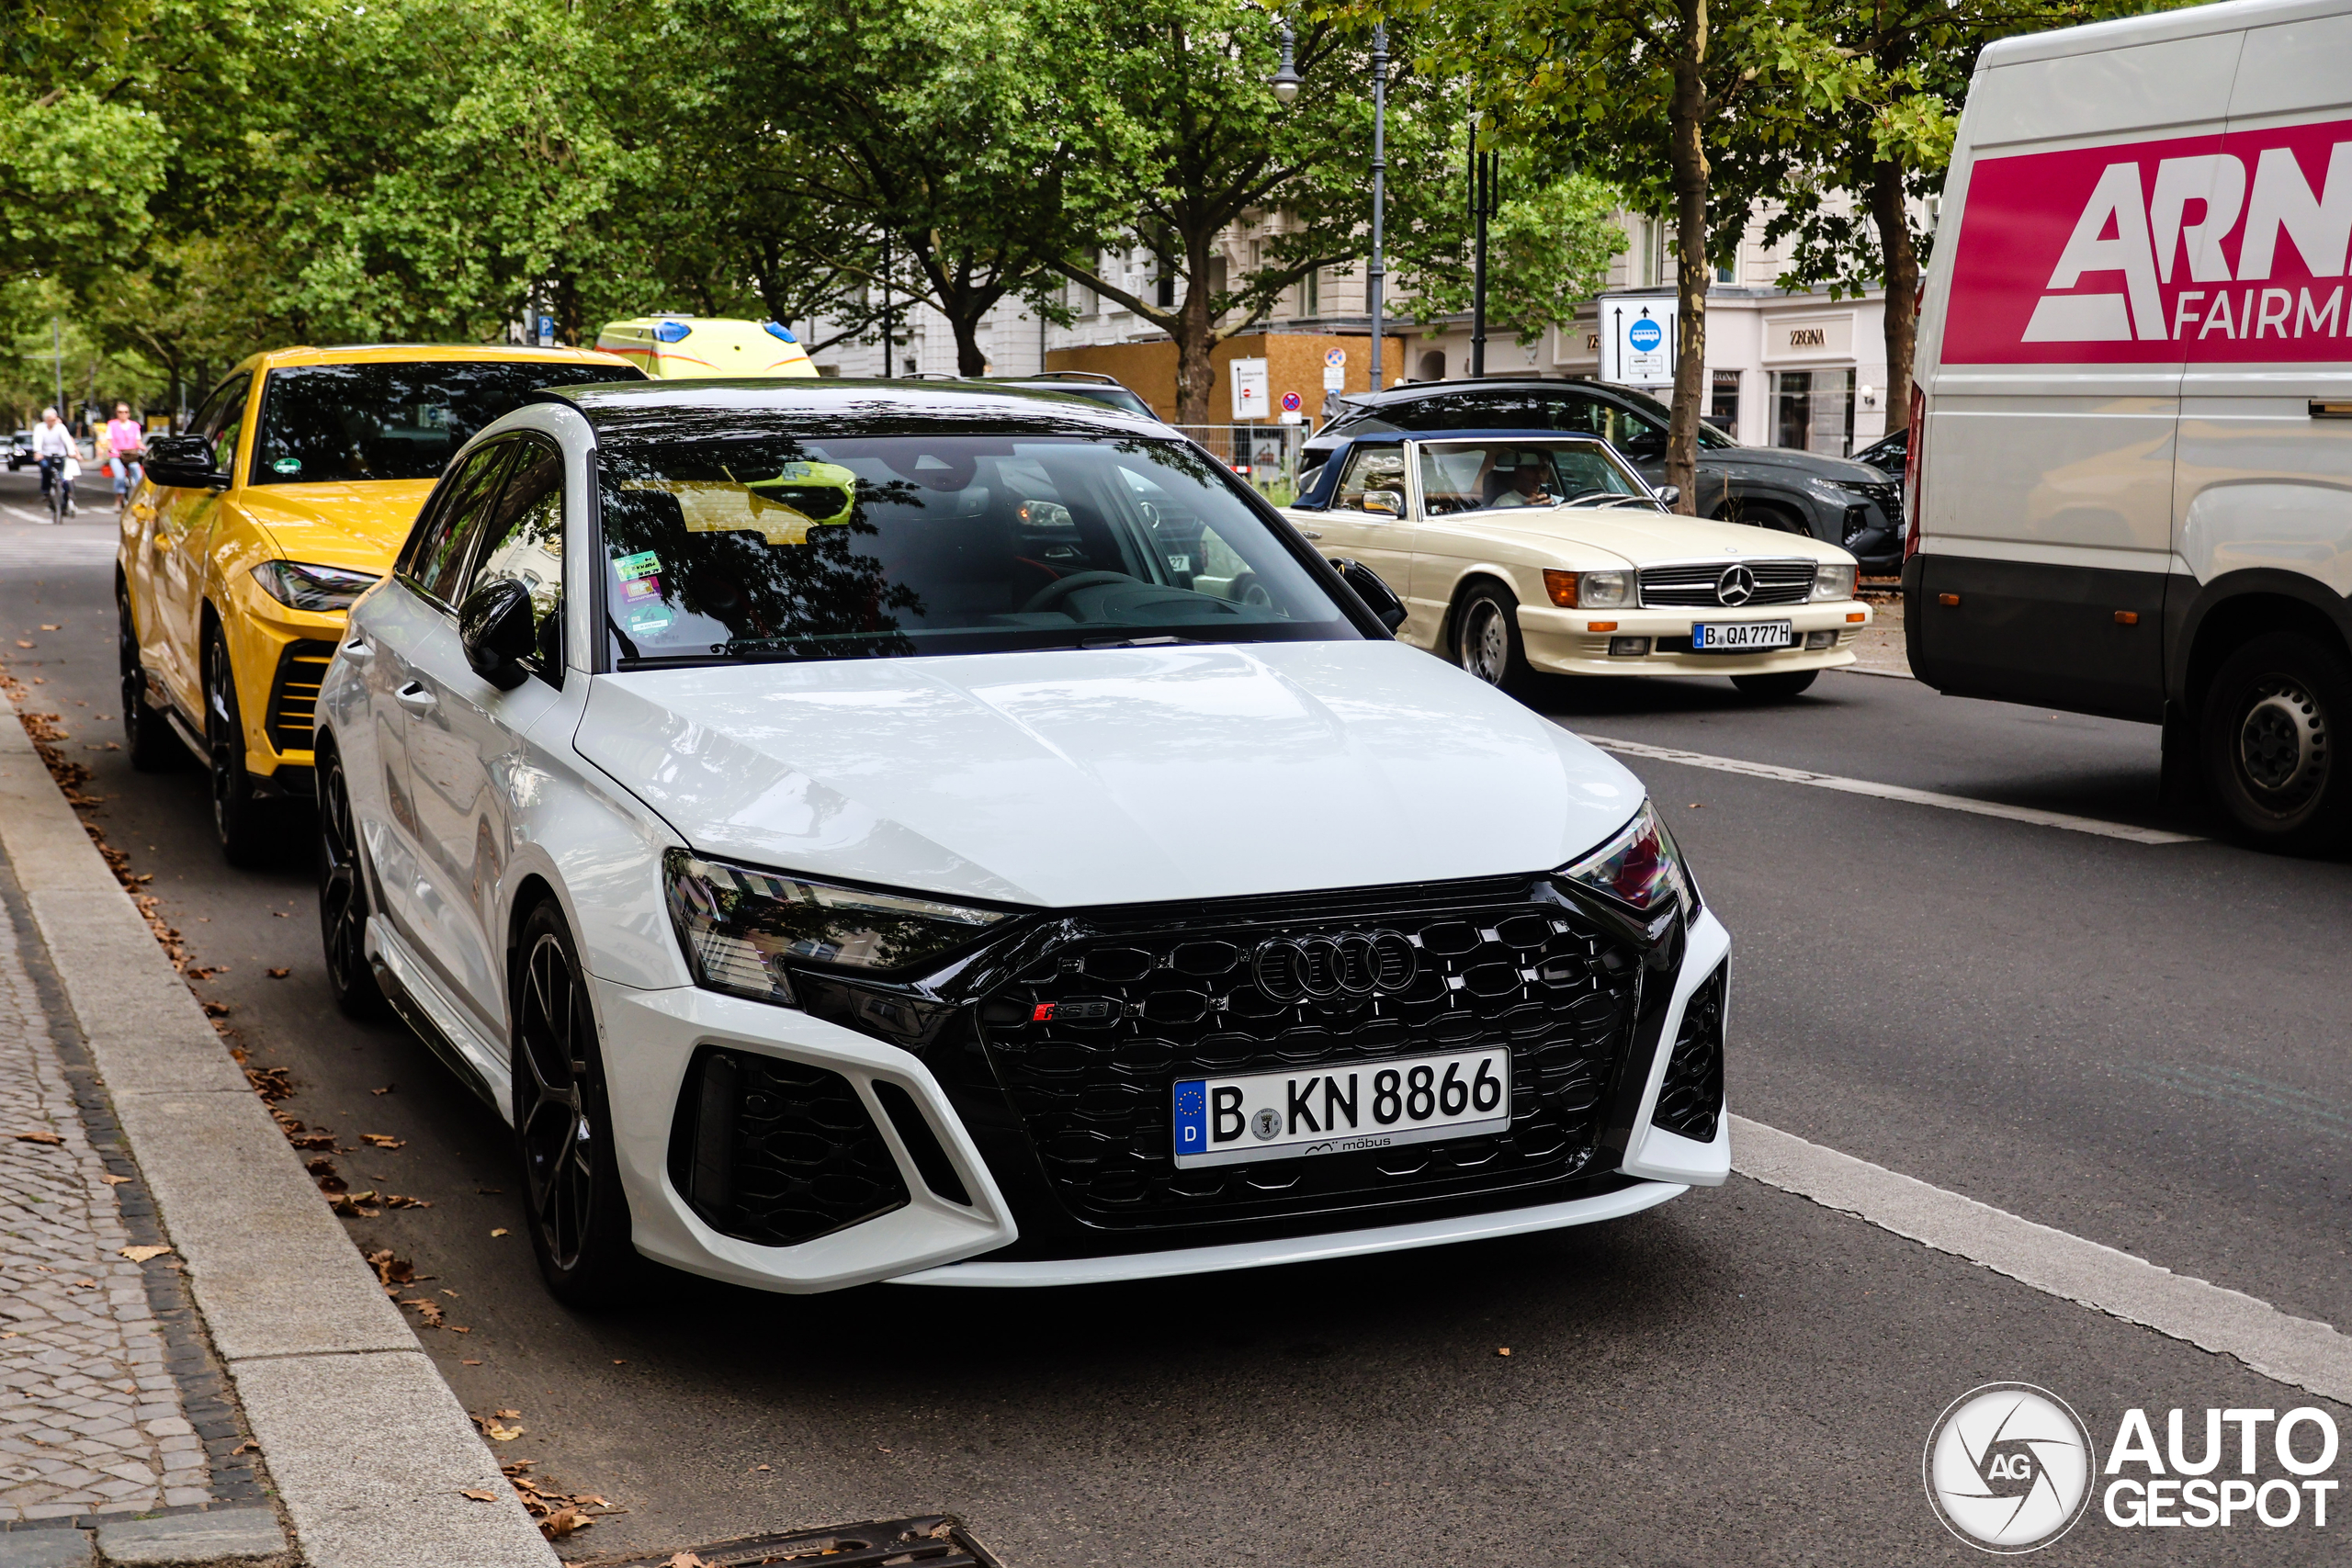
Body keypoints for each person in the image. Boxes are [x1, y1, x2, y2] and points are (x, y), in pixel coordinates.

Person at [103, 401, 145, 509]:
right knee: (120, 477)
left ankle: (138, 498)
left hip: (131, 455)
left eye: (125, 412)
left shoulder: (135, 426)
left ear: (129, 414)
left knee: (137, 473)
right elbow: (109, 440)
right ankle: (118, 500)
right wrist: (110, 448)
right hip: (117, 455)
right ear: (117, 413)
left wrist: (144, 448)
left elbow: (138, 441)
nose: (123, 414)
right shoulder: (112, 425)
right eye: (120, 412)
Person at [30, 408, 73, 510]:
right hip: (45, 454)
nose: (54, 422)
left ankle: (65, 501)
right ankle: (46, 491)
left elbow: (67, 440)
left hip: (59, 455)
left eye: (55, 419)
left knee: (62, 478)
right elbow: (37, 440)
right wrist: (38, 452)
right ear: (46, 420)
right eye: (51, 420)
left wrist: (71, 452)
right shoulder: (40, 428)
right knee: (45, 468)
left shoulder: (61, 428)